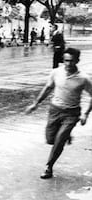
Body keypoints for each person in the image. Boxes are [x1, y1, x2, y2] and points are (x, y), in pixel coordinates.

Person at [25, 47, 92, 179]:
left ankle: (49, 167)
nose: (68, 64)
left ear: (77, 60)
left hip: (72, 113)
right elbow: (48, 87)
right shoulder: (56, 72)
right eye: (66, 61)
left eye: (71, 61)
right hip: (55, 110)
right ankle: (66, 135)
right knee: (50, 139)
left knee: (59, 140)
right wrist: (35, 104)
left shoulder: (83, 78)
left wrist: (86, 114)